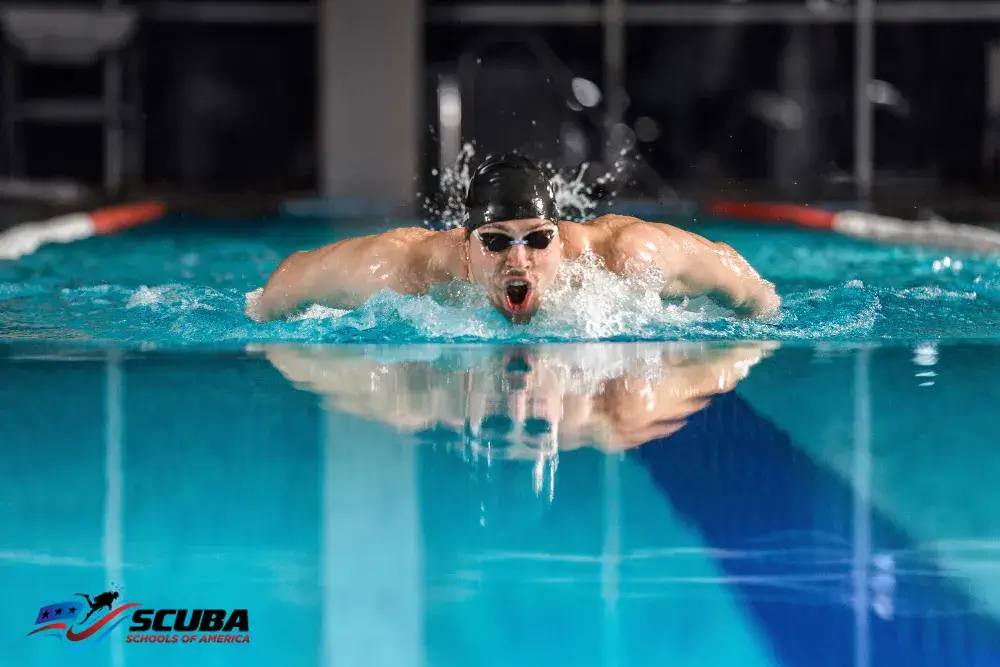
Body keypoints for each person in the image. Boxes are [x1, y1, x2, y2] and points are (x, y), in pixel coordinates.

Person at [250, 153, 780, 324]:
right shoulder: (406, 268)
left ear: (559, 235)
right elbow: (283, 284)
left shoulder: (623, 258)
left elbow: (750, 288)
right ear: (465, 243)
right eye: (496, 242)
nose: (519, 260)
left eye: (536, 239)